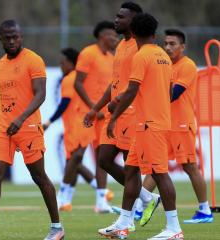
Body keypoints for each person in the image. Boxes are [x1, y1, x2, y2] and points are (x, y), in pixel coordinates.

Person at [0, 20, 64, 240]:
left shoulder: (34, 60)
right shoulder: (0, 64)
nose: (11, 41)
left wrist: (21, 118)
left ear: (21, 36)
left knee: (39, 177)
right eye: (7, 37)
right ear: (0, 39)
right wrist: (10, 120)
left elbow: (41, 94)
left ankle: (57, 227)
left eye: (15, 36)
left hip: (27, 126)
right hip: (3, 126)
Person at [98, 13, 184, 239]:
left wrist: (114, 116)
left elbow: (133, 90)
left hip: (150, 123)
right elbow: (168, 90)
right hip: (148, 122)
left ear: (133, 33)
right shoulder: (163, 56)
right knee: (131, 171)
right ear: (155, 34)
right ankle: (123, 224)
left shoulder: (141, 55)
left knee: (160, 173)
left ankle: (174, 229)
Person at [84, 2, 159, 227]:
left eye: (121, 17)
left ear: (134, 19)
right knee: (104, 159)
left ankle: (127, 221)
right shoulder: (121, 46)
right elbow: (115, 83)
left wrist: (116, 105)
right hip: (115, 112)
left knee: (131, 167)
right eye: (116, 16)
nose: (115, 20)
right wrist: (96, 108)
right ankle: (146, 197)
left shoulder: (140, 46)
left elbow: (137, 85)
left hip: (132, 113)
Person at [140, 29, 213, 225]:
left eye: (172, 44)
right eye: (166, 43)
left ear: (183, 47)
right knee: (157, 165)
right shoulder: (165, 65)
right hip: (165, 125)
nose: (168, 47)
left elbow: (173, 94)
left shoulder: (187, 66)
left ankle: (205, 210)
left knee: (189, 166)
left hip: (181, 125)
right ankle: (140, 207)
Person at [44, 21, 118, 213]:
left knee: (102, 157)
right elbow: (79, 84)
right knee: (77, 156)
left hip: (105, 115)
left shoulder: (112, 58)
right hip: (86, 114)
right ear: (103, 35)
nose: (115, 39)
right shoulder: (88, 53)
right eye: (112, 35)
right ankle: (63, 196)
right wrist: (94, 108)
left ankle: (101, 200)